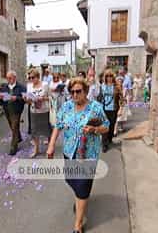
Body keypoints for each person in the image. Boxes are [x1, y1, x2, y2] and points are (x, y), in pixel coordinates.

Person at [47, 77, 109, 233]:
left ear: (86, 91)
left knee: (82, 187)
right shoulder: (66, 107)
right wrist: (51, 145)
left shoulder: (96, 108)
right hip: (69, 152)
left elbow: (106, 126)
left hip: (88, 155)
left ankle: (78, 225)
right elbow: (58, 126)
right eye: (72, 92)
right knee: (70, 180)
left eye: (78, 91)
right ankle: (80, 198)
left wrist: (95, 130)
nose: (75, 95)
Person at [0, 70, 26, 155]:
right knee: (12, 125)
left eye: (10, 78)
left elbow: (25, 99)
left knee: (14, 126)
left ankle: (13, 147)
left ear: (14, 78)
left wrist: (16, 98)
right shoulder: (4, 87)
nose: (8, 80)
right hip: (7, 109)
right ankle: (19, 137)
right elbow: (0, 100)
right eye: (7, 78)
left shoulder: (21, 87)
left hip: (16, 110)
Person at [24, 69, 50, 158]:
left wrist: (43, 99)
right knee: (34, 131)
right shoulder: (29, 86)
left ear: (38, 77)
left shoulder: (45, 85)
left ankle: (50, 148)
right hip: (33, 110)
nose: (31, 79)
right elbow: (28, 100)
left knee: (47, 130)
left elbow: (50, 97)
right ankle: (36, 149)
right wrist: (27, 99)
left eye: (33, 77)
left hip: (44, 110)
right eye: (29, 78)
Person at [99, 69, 122, 152]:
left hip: (114, 109)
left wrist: (121, 109)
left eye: (111, 76)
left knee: (112, 126)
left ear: (113, 77)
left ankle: (109, 139)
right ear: (105, 77)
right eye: (107, 76)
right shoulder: (102, 86)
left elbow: (121, 99)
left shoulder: (117, 86)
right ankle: (104, 144)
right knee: (105, 126)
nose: (109, 78)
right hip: (104, 109)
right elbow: (99, 98)